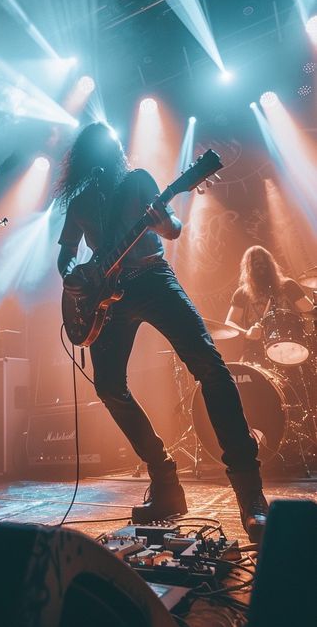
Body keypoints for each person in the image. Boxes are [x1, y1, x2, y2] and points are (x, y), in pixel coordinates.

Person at [56, 122, 268, 542]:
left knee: (209, 365)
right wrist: (72, 277)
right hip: (106, 297)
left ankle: (250, 496)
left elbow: (172, 226)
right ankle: (165, 480)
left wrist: (161, 223)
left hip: (153, 278)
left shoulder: (137, 181)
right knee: (109, 387)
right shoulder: (80, 201)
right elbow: (65, 255)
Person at [226, 245, 312, 360]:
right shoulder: (242, 293)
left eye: (263, 262)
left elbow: (310, 311)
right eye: (256, 263)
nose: (261, 266)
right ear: (248, 267)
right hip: (257, 350)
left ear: (270, 264)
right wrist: (247, 333)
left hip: (292, 346)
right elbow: (230, 322)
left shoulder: (288, 286)